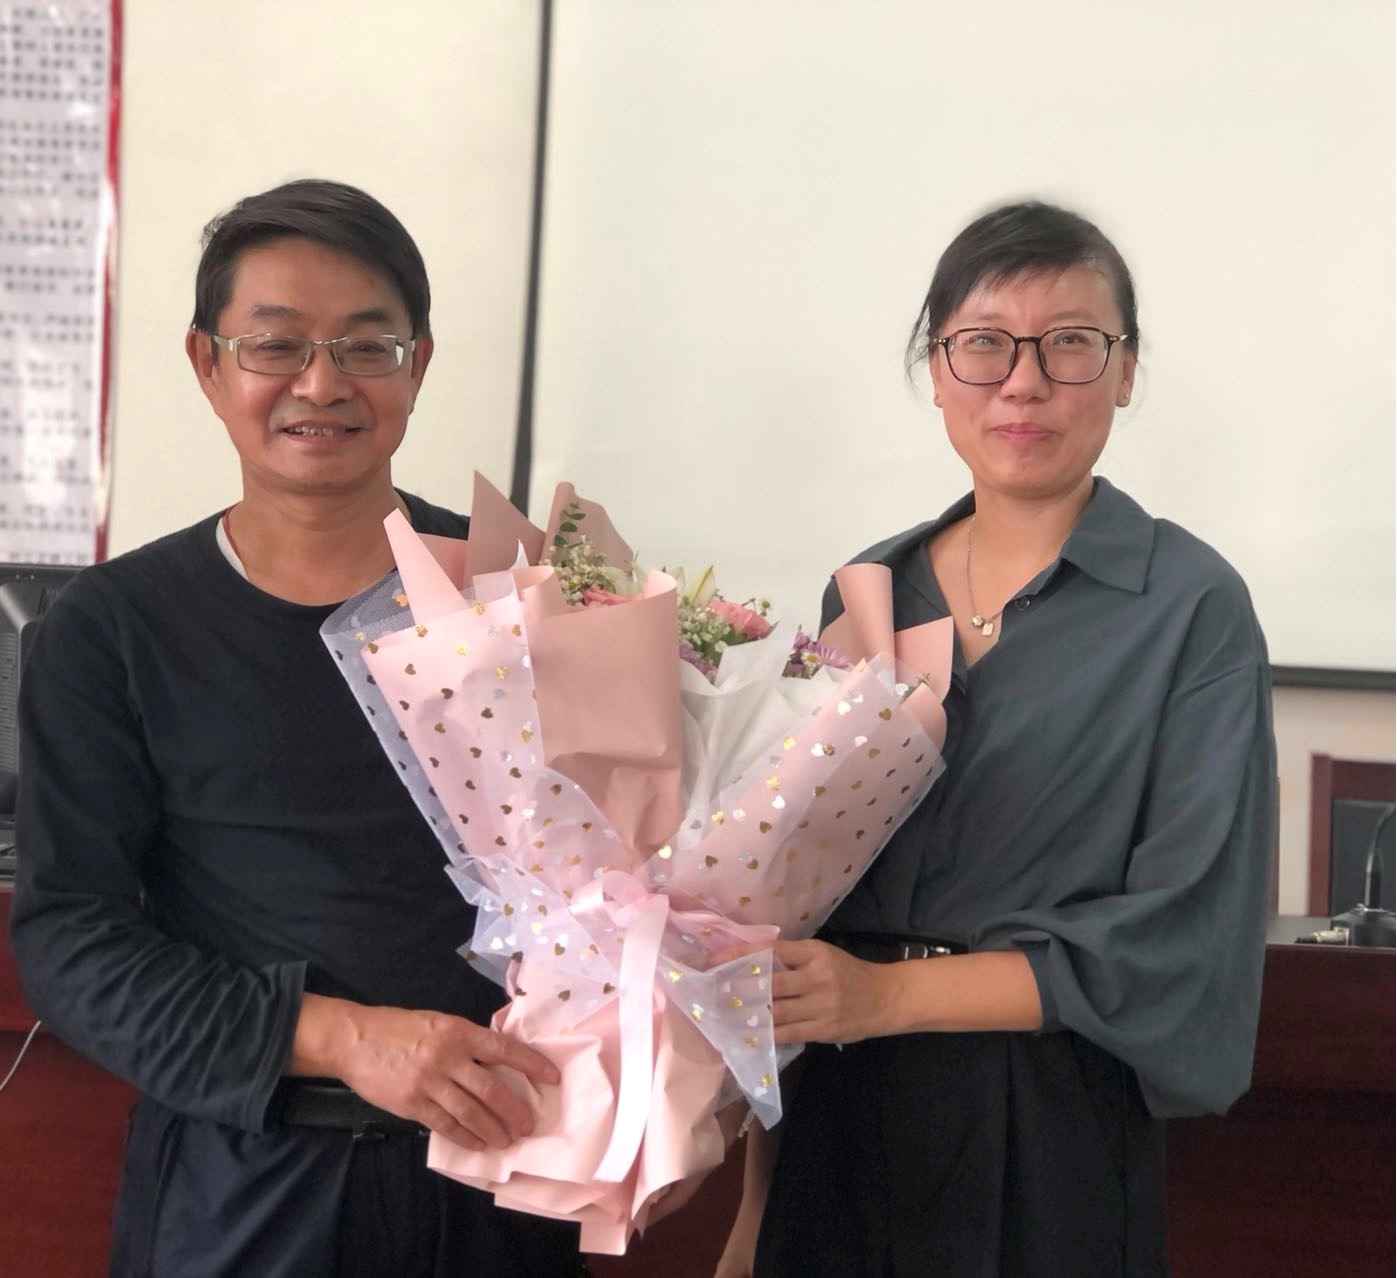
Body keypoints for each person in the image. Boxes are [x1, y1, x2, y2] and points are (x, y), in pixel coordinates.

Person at [10, 179, 584, 1277]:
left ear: (417, 365)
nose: (321, 384)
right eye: (276, 345)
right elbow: (70, 943)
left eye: (367, 347)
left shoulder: (518, 589)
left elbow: (624, 878)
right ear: (207, 363)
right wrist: (346, 1039)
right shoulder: (116, 627)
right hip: (246, 1181)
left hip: (503, 1169)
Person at [714, 202, 1277, 1278]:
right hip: (835, 1116)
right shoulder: (867, 590)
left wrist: (885, 997)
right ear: (935, 369)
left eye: (1069, 344)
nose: (1021, 383)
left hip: (1048, 1123)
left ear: (1124, 371)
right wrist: (752, 1213)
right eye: (982, 344)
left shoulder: (1189, 606)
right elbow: (788, 900)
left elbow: (1181, 936)